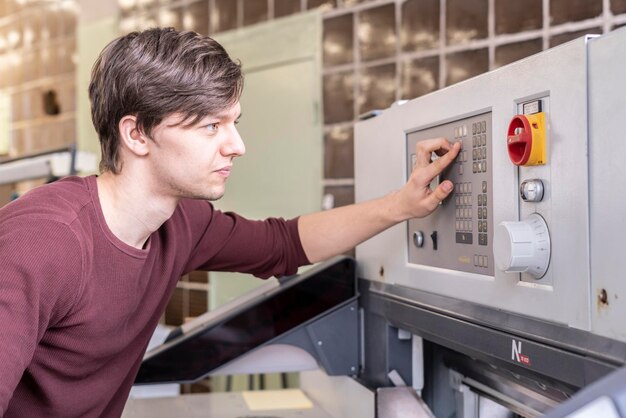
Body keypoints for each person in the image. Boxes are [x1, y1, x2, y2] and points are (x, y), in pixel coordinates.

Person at [0, 27, 460, 417]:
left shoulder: (181, 223)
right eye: (211, 126)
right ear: (137, 133)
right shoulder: (42, 242)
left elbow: (284, 244)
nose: (236, 145)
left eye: (234, 122)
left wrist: (401, 204)